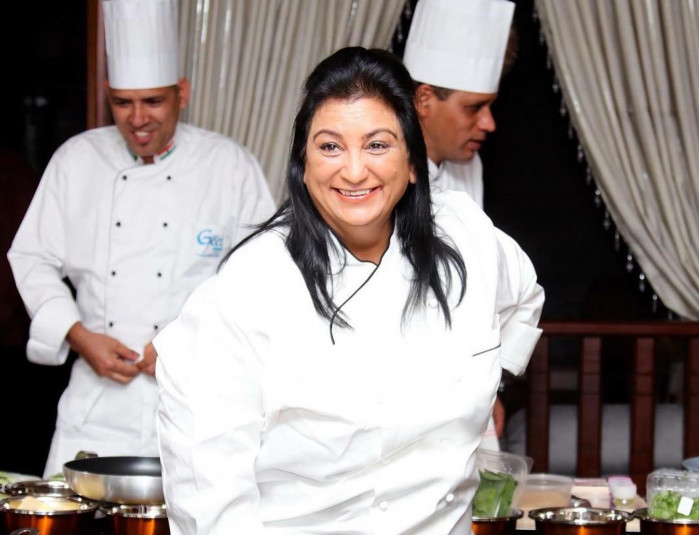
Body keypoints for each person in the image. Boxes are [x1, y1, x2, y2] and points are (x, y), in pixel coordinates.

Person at [154, 46, 543, 534]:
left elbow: (525, 298)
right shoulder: (250, 286)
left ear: (413, 162)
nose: (354, 171)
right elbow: (207, 491)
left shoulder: (467, 237)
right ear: (303, 164)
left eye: (377, 145)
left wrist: (489, 379)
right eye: (330, 147)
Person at [7, 0, 275, 478]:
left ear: (182, 93)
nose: (137, 119)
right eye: (122, 103)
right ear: (107, 95)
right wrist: (77, 334)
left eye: (153, 101)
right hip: (94, 411)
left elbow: (262, 278)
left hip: (195, 407)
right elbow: (31, 256)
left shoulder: (228, 165)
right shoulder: (76, 160)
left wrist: (186, 340)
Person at [403, 0, 521, 449]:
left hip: (461, 390)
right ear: (424, 100)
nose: (489, 123)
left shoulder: (468, 167)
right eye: (474, 108)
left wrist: (490, 386)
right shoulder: (376, 175)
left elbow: (478, 286)